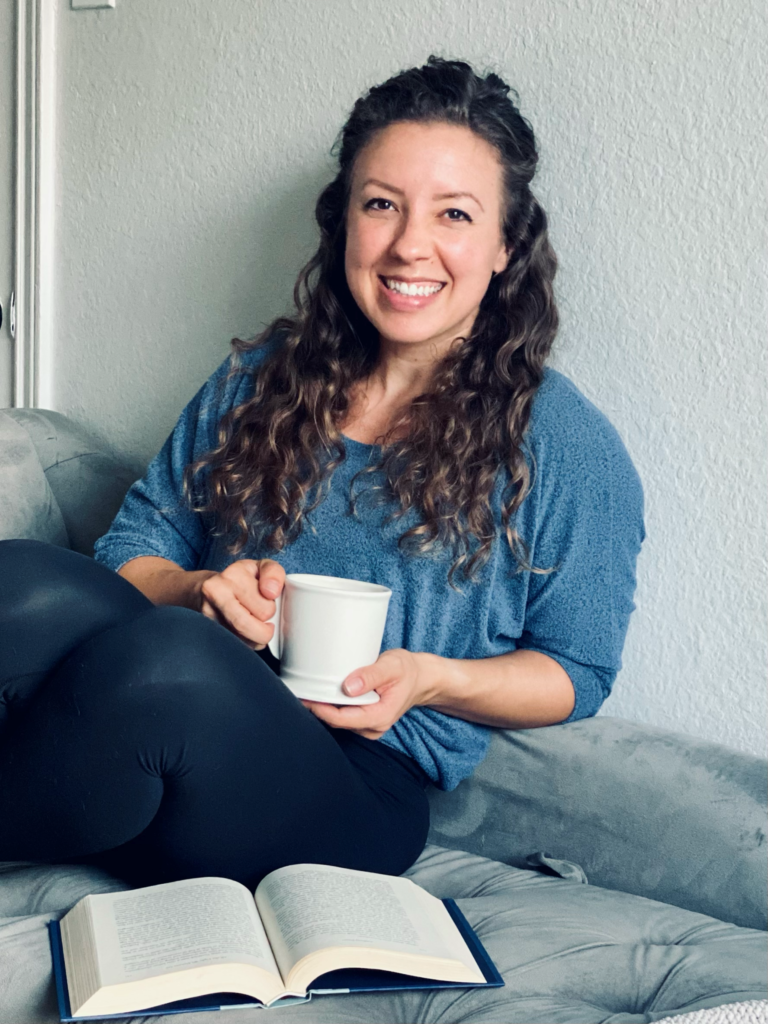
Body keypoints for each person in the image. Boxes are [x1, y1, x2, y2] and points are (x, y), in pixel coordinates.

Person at [0, 57, 644, 890]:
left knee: (168, 659)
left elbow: (578, 670)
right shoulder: (262, 377)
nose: (411, 245)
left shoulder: (564, 443)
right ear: (344, 221)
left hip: (354, 787)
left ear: (504, 246)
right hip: (169, 708)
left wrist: (424, 677)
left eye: (453, 213)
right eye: (382, 204)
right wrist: (202, 590)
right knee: (20, 576)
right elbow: (130, 548)